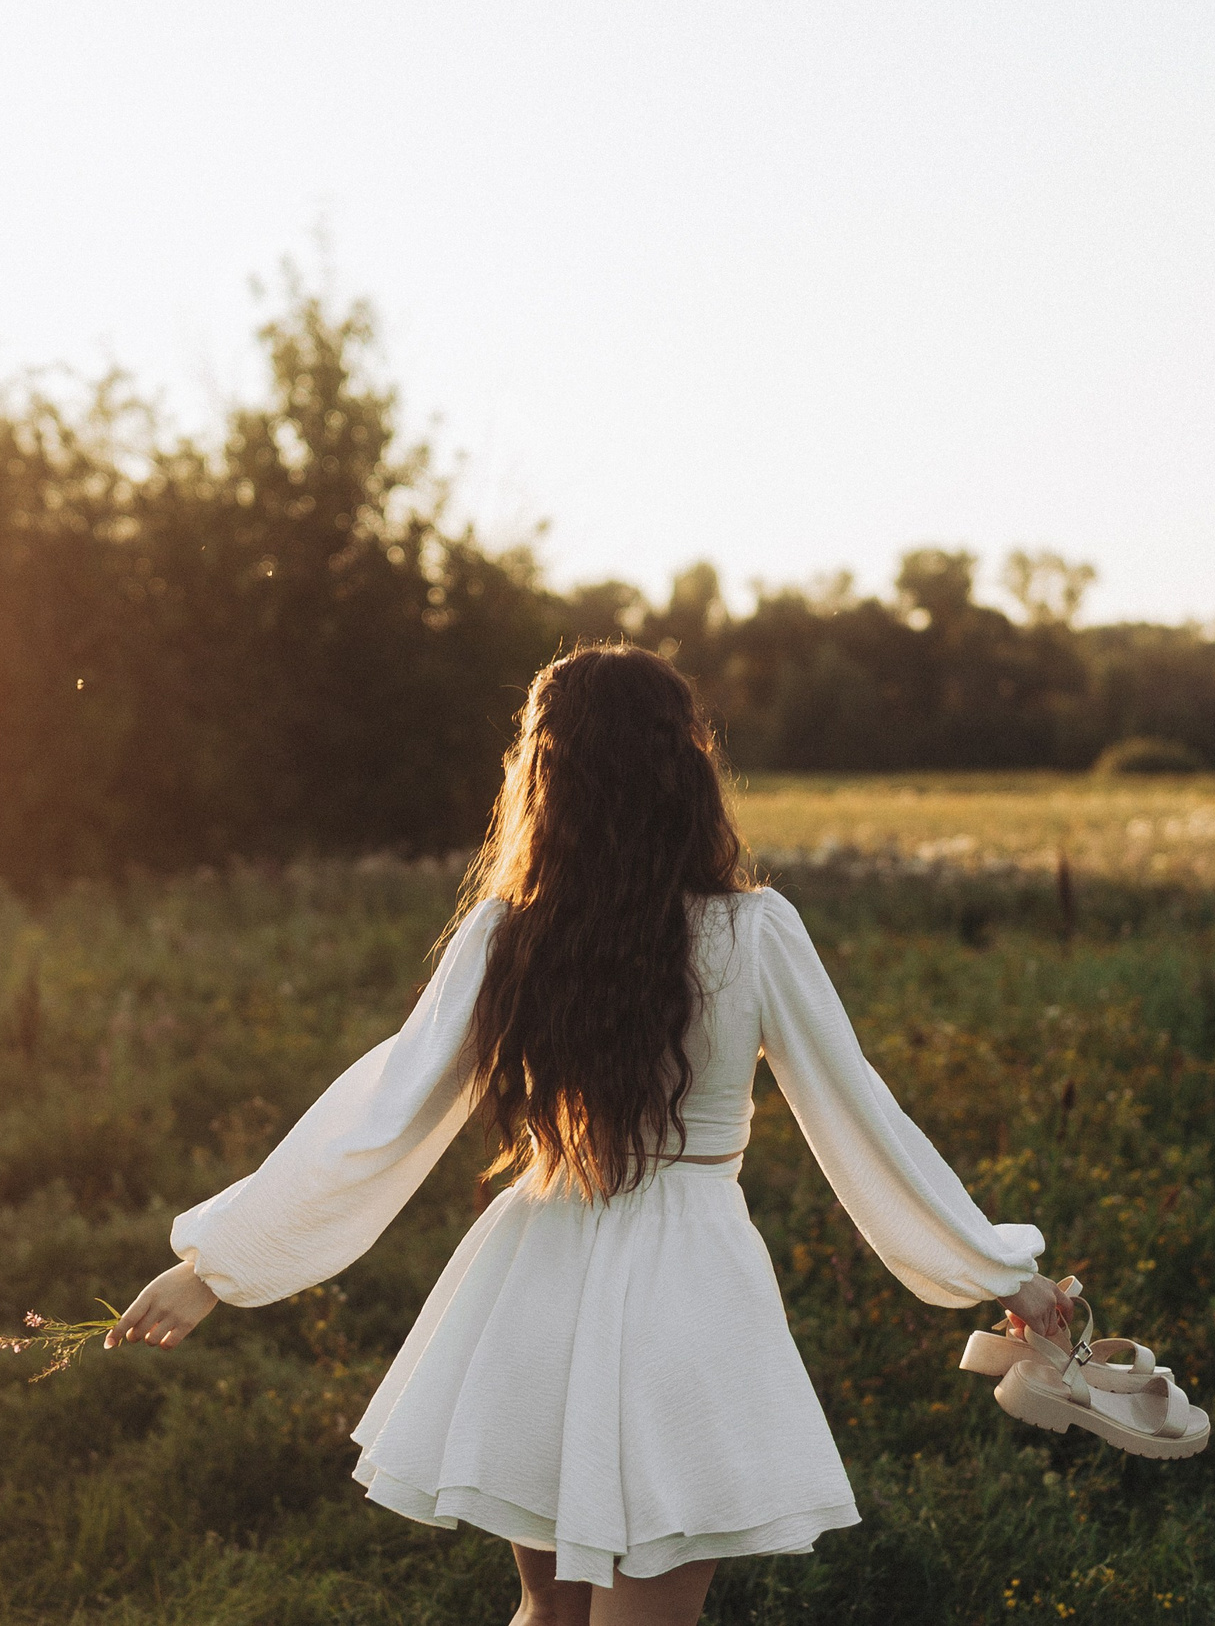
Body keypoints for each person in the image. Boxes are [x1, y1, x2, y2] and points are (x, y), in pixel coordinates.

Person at [106, 645, 1066, 1626]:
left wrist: (212, 1269)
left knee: (551, 1615)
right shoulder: (751, 930)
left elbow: (378, 1118)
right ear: (685, 763)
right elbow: (858, 1118)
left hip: (540, 1277)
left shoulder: (506, 934)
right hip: (687, 1288)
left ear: (541, 772)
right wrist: (992, 1270)